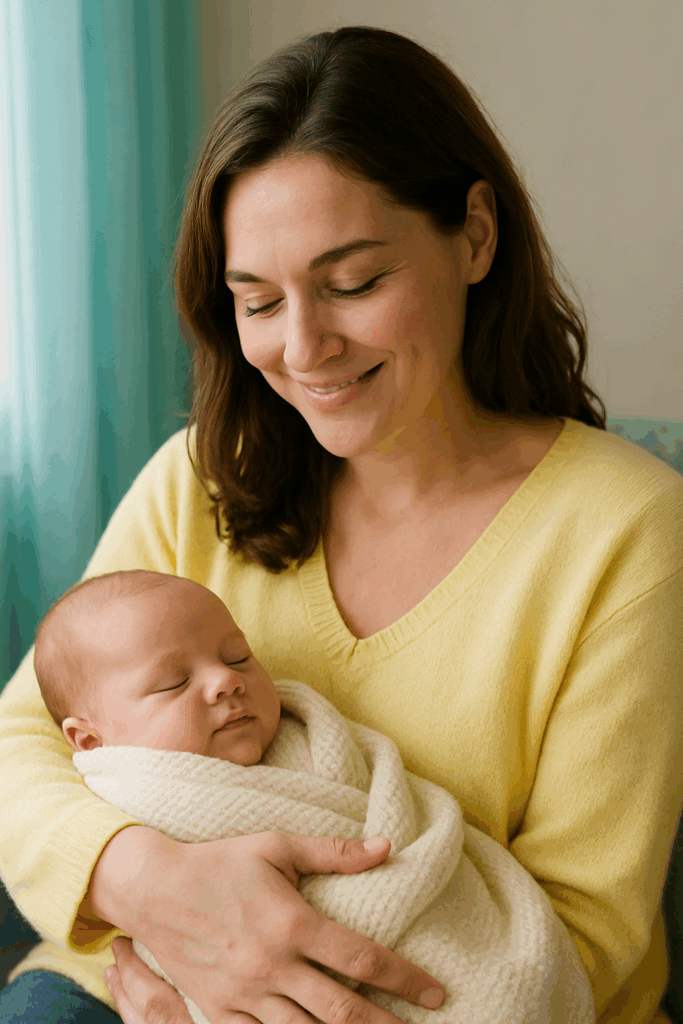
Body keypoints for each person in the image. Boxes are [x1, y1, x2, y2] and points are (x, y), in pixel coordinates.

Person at [0, 23, 682, 1024]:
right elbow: (23, 742)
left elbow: (574, 944)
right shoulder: (199, 477)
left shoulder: (620, 530)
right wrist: (147, 884)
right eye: (257, 301)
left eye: (353, 284)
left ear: (474, 235)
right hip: (129, 983)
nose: (304, 347)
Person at [32, 568, 595, 1024]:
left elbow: (388, 818)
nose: (226, 681)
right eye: (174, 683)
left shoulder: (310, 740)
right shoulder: (137, 790)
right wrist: (132, 874)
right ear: (92, 742)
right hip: (134, 985)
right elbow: (18, 755)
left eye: (237, 657)